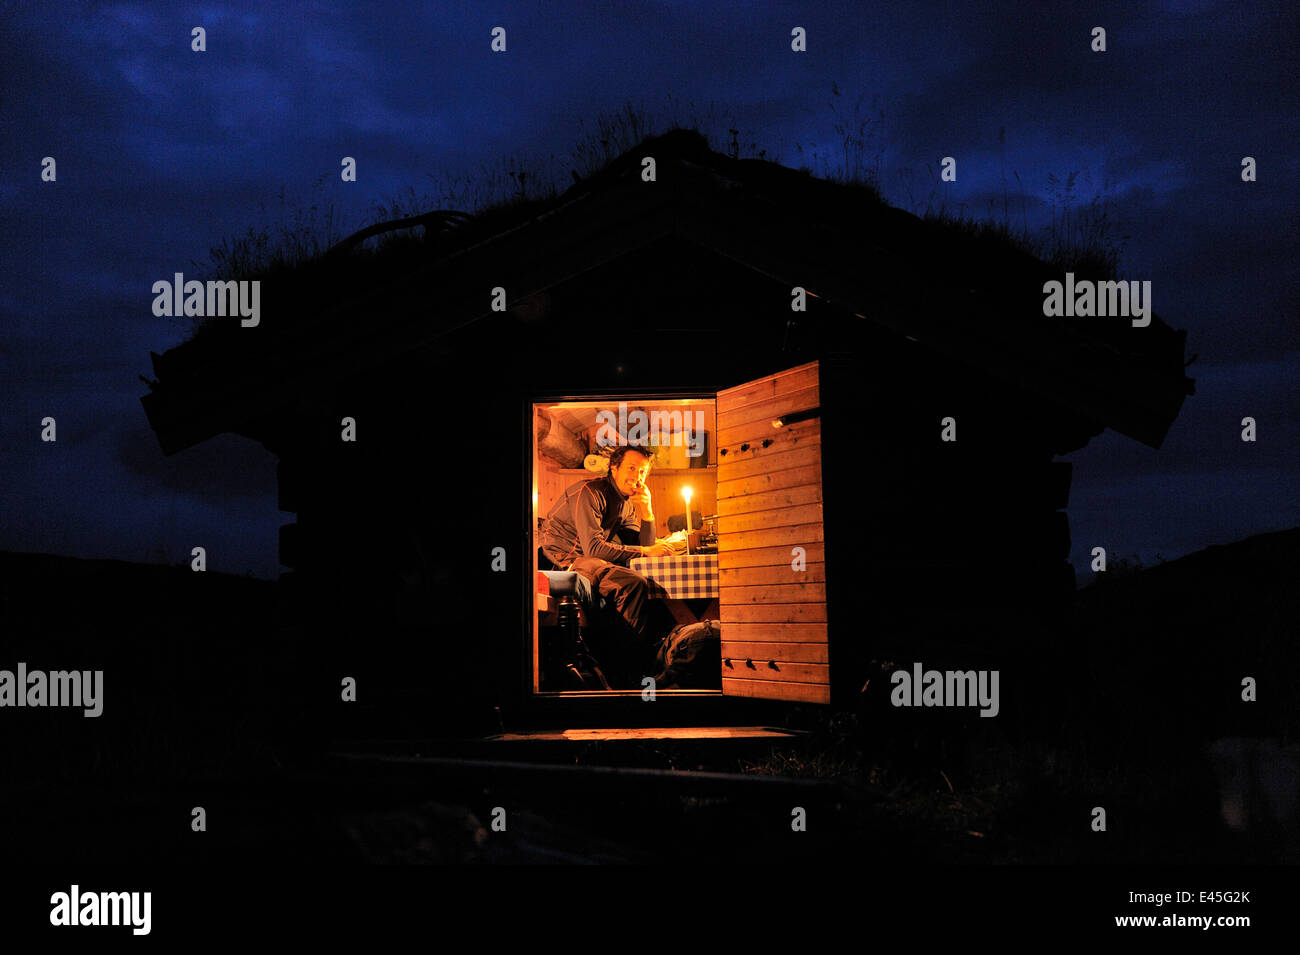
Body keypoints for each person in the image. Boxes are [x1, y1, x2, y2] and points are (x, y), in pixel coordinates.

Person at [540, 445, 676, 686]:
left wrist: (648, 513)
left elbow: (641, 546)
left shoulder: (625, 504)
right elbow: (594, 548)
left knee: (643, 588)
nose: (638, 476)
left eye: (643, 471)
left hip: (592, 561)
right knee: (632, 583)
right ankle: (626, 673)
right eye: (632, 468)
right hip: (563, 559)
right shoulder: (590, 492)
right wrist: (646, 550)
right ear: (614, 467)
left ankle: (628, 668)